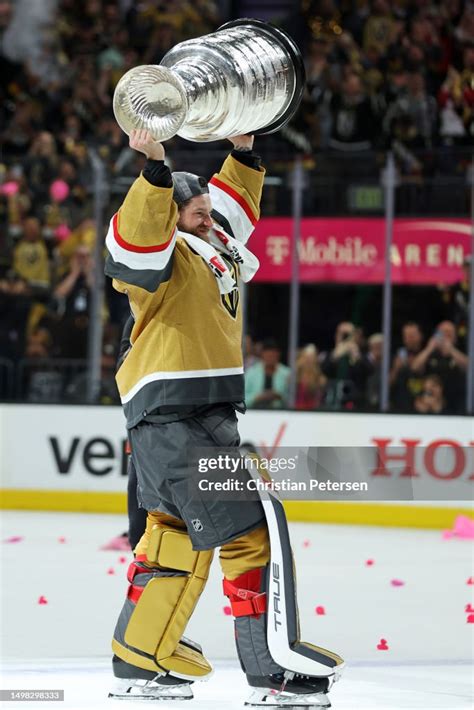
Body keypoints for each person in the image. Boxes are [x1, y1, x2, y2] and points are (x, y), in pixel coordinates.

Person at [105, 129, 343, 706]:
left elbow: (232, 208)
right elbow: (134, 240)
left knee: (174, 537)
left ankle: (142, 658)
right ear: (174, 219)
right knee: (250, 535)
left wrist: (242, 150)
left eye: (211, 212)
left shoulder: (214, 245)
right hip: (177, 418)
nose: (212, 221)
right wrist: (155, 167)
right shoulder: (164, 256)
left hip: (185, 418)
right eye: (198, 214)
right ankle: (273, 670)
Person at [410, 320, 467, 414]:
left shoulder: (460, 350)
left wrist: (451, 350)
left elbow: (469, 367)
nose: (446, 337)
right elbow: (414, 367)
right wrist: (429, 348)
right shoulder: (430, 353)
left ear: (455, 337)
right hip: (430, 401)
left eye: (449, 333)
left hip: (455, 403)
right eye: (443, 333)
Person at [245, 338, 291, 409]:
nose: (270, 358)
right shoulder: (251, 373)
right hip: (254, 413)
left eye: (273, 355)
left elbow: (293, 399)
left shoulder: (287, 373)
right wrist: (257, 397)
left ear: (278, 355)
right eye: (268, 355)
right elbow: (242, 400)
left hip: (280, 414)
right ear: (262, 355)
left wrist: (280, 396)